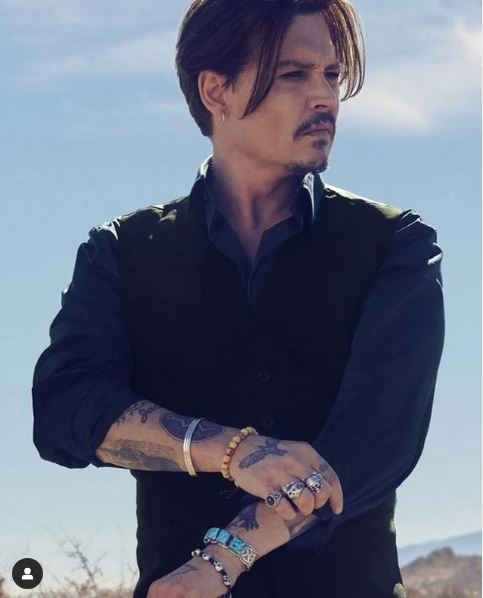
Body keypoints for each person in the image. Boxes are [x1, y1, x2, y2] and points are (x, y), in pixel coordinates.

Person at [32, 1, 445, 597]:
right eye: (293, 74)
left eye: (331, 75)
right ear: (215, 91)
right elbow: (66, 409)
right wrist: (229, 449)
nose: (324, 98)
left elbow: (375, 442)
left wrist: (221, 561)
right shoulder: (121, 252)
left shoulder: (395, 244)